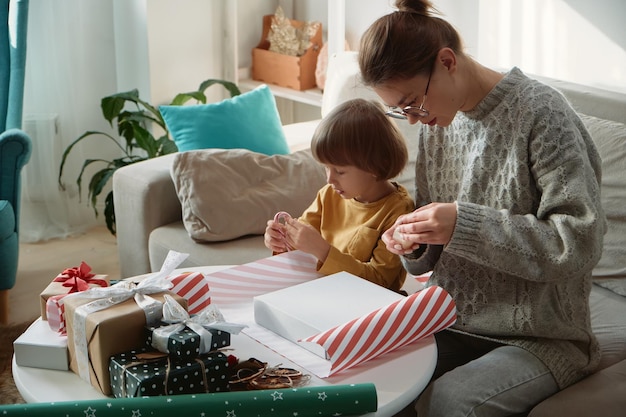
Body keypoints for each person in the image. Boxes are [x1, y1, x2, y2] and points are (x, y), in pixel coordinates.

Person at [358, 1, 606, 416]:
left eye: (412, 103)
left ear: (448, 61)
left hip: (541, 337)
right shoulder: (438, 125)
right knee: (363, 375)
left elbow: (577, 243)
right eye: (401, 111)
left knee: (451, 402)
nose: (414, 121)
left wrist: (463, 226)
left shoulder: (542, 113)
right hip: (448, 318)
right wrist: (414, 243)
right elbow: (434, 252)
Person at [263, 98, 415, 293]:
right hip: (322, 292)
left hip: (365, 303)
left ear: (376, 166)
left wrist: (322, 251)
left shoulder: (399, 211)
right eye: (326, 168)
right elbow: (301, 249)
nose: (330, 180)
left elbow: (380, 281)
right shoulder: (329, 195)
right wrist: (281, 241)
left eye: (340, 171)